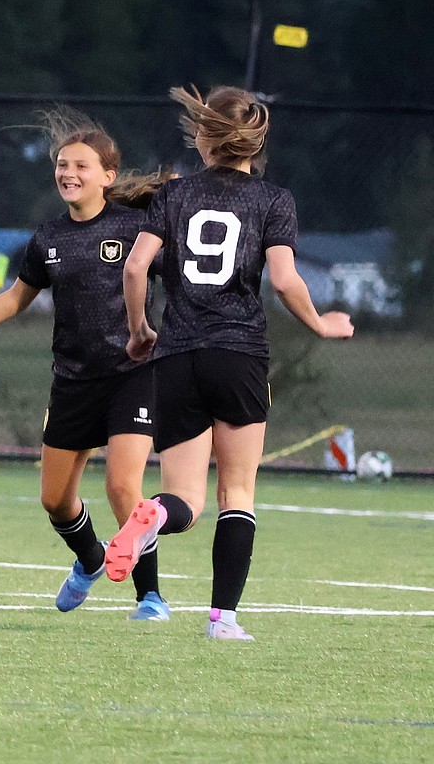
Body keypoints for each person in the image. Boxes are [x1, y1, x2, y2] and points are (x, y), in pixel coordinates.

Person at [105, 85, 354, 640]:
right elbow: (285, 279)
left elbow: (134, 268)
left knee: (185, 499)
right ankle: (222, 620)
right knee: (236, 493)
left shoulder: (173, 197)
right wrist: (319, 323)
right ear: (255, 140)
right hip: (238, 354)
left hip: (177, 358)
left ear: (202, 135)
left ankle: (153, 517)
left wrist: (140, 329)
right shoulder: (273, 201)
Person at [0, 109, 171, 621]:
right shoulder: (49, 237)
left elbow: (184, 277)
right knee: (55, 500)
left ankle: (150, 596)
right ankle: (91, 560)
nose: (68, 173)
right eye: (61, 165)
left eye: (81, 165)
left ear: (108, 175)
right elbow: (16, 298)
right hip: (73, 381)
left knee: (123, 487)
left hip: (133, 374)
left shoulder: (136, 227)